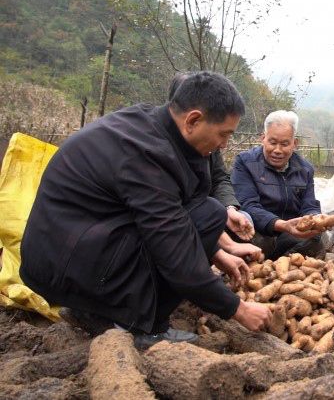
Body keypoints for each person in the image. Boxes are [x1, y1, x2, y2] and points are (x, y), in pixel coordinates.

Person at [20, 71, 272, 348]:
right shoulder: (145, 155)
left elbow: (183, 212)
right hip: (63, 264)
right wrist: (238, 309)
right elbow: (175, 253)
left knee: (209, 214)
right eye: (223, 135)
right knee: (204, 220)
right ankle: (136, 326)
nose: (224, 144)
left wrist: (214, 252)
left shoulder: (155, 126)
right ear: (193, 120)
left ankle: (103, 310)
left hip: (81, 244)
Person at [167, 73, 256, 243]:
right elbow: (171, 215)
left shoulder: (209, 141)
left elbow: (220, 178)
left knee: (240, 218)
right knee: (211, 214)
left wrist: (229, 208)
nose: (223, 144)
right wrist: (225, 246)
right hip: (183, 219)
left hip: (206, 212)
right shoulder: (160, 150)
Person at [232, 110, 325, 260]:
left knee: (316, 236)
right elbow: (248, 205)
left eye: (284, 144)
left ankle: (283, 263)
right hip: (259, 232)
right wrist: (281, 224)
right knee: (242, 224)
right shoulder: (245, 162)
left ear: (294, 144)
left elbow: (309, 205)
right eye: (272, 142)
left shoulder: (305, 169)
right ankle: (271, 260)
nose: (277, 150)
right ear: (263, 139)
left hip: (289, 235)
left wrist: (315, 219)